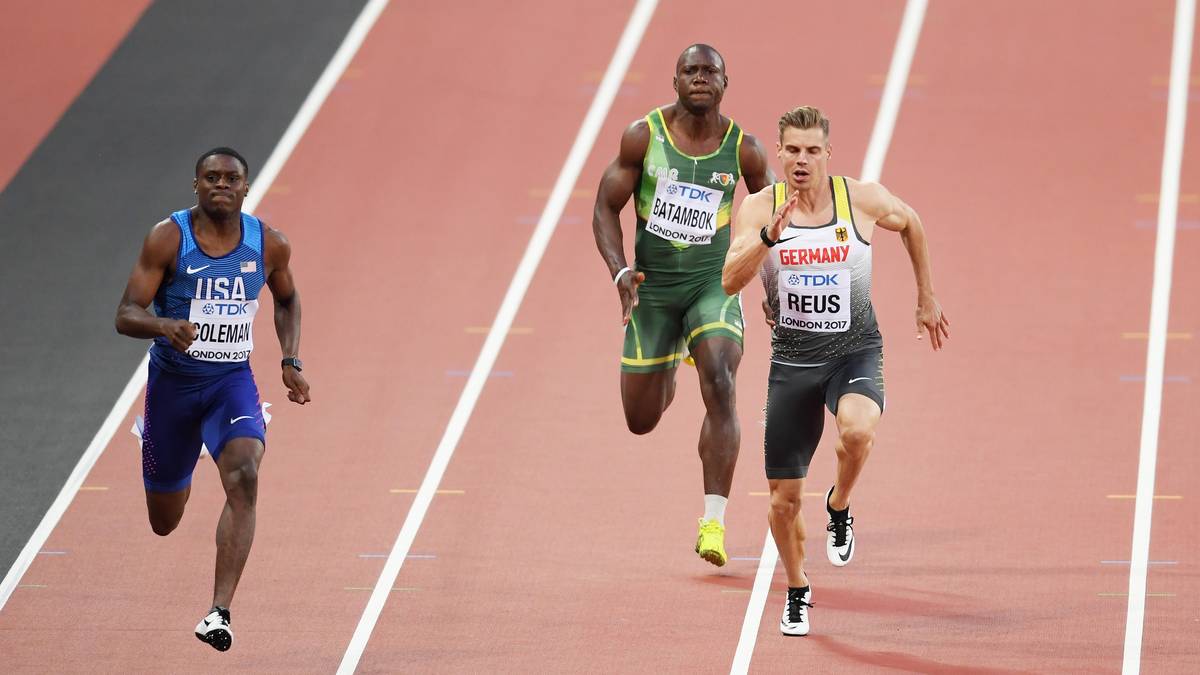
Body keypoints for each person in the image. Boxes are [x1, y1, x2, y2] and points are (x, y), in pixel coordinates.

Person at [721, 106, 948, 635]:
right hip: (792, 364)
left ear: (827, 154)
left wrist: (926, 296)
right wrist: (767, 242)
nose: (801, 160)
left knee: (858, 431)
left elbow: (911, 221)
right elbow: (730, 281)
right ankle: (798, 589)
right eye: (793, 150)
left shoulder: (860, 200)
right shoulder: (760, 209)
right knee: (782, 500)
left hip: (854, 351)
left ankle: (840, 503)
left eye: (812, 150)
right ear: (779, 153)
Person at [115, 147, 311, 651]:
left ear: (246, 187)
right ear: (195, 185)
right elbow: (126, 312)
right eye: (211, 177)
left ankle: (218, 612)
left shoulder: (268, 244)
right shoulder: (168, 238)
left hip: (230, 384)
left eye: (231, 178)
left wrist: (291, 360)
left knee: (245, 473)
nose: (221, 184)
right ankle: (183, 458)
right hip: (173, 390)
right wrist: (163, 325)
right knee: (164, 522)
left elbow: (287, 298)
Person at [592, 44, 773, 567]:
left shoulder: (745, 150)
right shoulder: (643, 137)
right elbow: (606, 204)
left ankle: (713, 521)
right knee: (640, 419)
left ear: (724, 81)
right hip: (654, 291)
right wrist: (621, 271)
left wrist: (772, 287)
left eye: (709, 71)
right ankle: (672, 354)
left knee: (720, 376)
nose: (700, 78)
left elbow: (773, 219)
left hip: (712, 284)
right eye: (690, 71)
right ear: (674, 81)